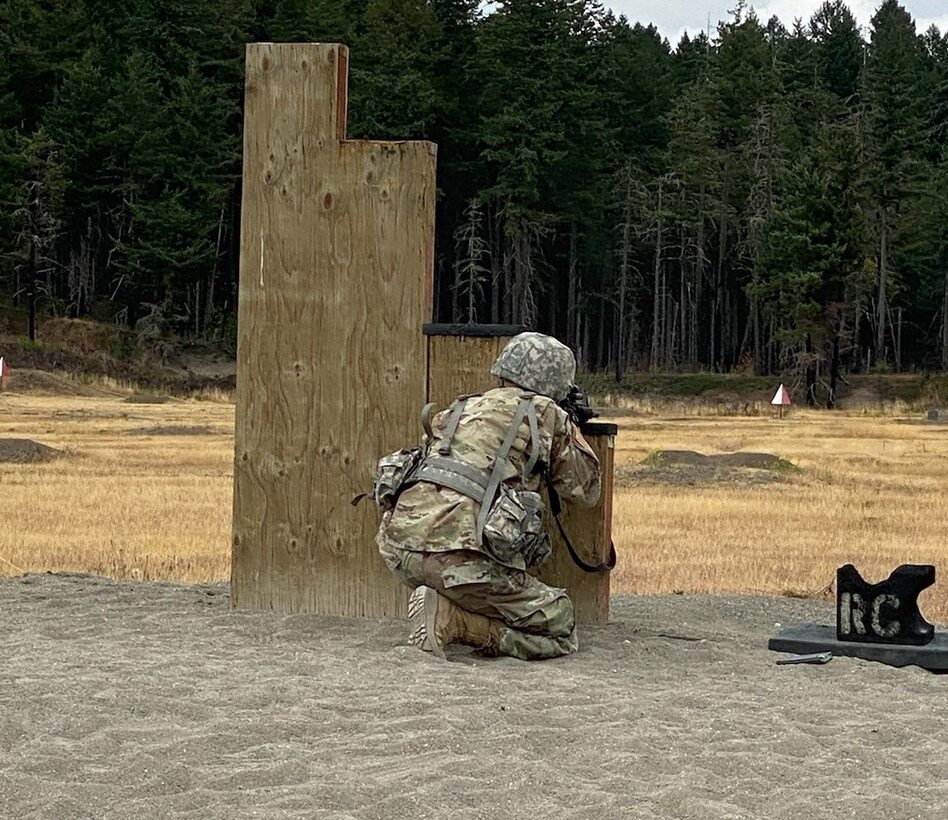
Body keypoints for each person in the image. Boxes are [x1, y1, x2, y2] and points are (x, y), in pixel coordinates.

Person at [376, 332, 601, 660]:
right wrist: (572, 428)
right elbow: (586, 490)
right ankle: (458, 623)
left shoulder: (460, 407)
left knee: (466, 575)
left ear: (502, 372)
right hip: (461, 562)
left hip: (398, 550)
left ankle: (445, 604)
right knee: (561, 623)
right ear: (557, 385)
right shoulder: (546, 414)